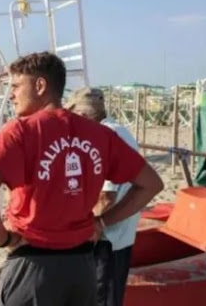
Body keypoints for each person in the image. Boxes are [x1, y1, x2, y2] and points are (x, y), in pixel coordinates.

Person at [0, 51, 164, 306]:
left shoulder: (19, 131)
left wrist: (3, 239)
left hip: (33, 264)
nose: (12, 95)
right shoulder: (99, 134)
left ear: (40, 86)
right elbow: (151, 184)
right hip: (82, 268)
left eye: (16, 86)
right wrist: (103, 223)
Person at [66, 87, 141, 306]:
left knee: (102, 297)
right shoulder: (118, 130)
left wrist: (88, 230)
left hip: (107, 238)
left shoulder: (105, 135)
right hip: (117, 234)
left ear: (83, 115)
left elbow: (107, 196)